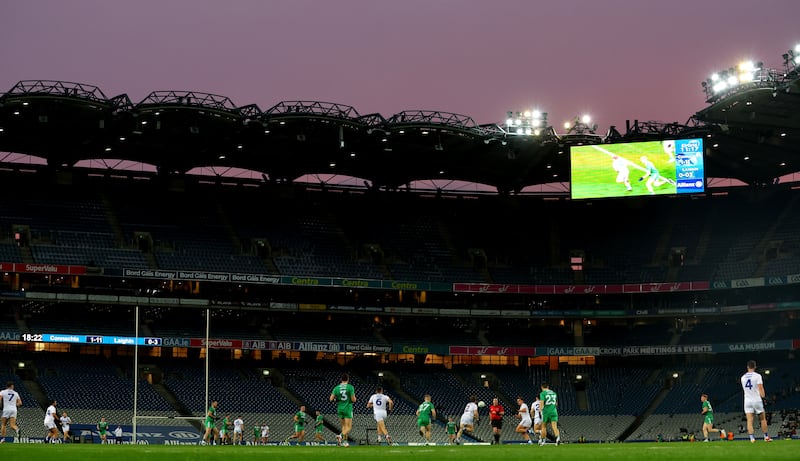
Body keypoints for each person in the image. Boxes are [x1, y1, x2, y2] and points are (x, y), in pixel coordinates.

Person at [741, 360, 771, 442]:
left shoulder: (743, 377)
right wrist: (764, 397)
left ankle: (752, 438)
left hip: (747, 401)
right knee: (762, 419)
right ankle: (766, 437)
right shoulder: (757, 376)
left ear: (747, 367)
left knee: (749, 420)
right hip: (756, 399)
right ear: (755, 367)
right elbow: (760, 387)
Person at [329, 373, 356, 447]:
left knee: (344, 427)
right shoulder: (350, 387)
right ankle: (340, 436)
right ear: (348, 379)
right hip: (347, 408)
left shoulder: (336, 388)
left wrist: (337, 399)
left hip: (340, 409)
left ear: (341, 379)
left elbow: (331, 399)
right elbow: (353, 400)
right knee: (349, 427)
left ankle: (345, 442)